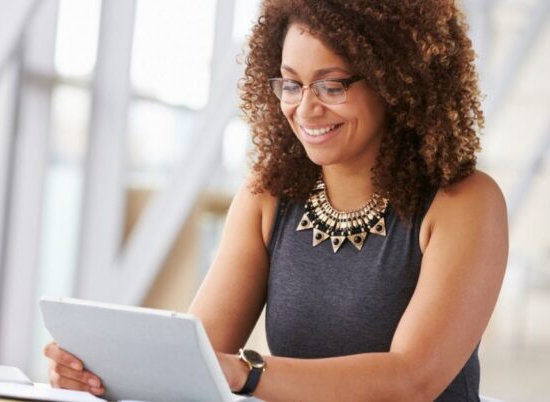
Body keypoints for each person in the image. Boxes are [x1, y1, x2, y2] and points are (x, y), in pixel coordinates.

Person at [44, 0, 508, 400]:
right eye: (291, 83)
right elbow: (195, 358)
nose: (305, 108)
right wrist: (95, 374)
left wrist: (249, 373)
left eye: (332, 85)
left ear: (397, 82)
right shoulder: (268, 197)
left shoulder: (464, 203)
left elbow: (411, 381)